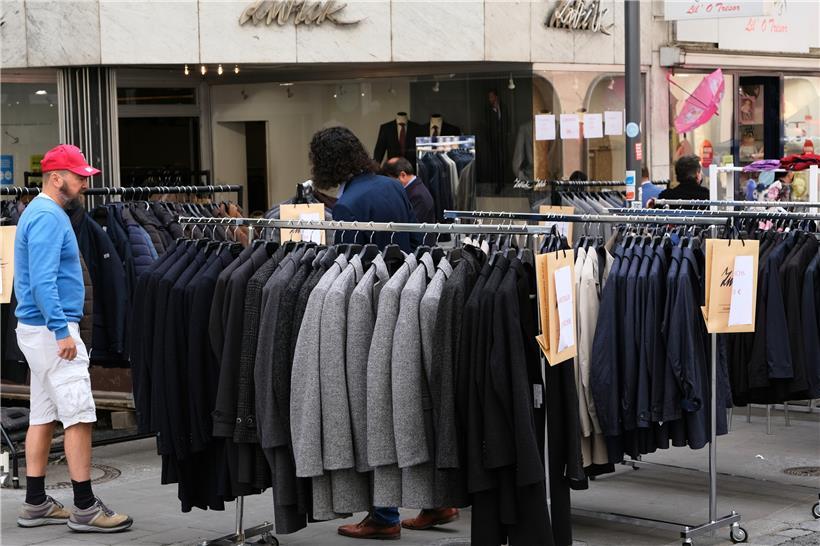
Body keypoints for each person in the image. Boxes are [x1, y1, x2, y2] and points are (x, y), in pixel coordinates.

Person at [14, 144, 133, 533]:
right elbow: (45, 280)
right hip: (53, 331)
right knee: (79, 416)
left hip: (38, 331)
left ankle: (35, 502)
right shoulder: (49, 216)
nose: (84, 182)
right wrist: (63, 329)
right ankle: (85, 507)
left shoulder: (38, 212)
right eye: (78, 175)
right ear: (55, 177)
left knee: (43, 414)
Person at [309, 126, 419, 252]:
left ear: (324, 165)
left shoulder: (345, 206)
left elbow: (348, 264)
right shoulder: (394, 185)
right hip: (408, 269)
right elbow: (416, 239)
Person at [381, 157, 435, 224]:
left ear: (403, 175)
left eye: (391, 181)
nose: (389, 185)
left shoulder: (417, 196)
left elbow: (409, 225)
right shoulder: (415, 189)